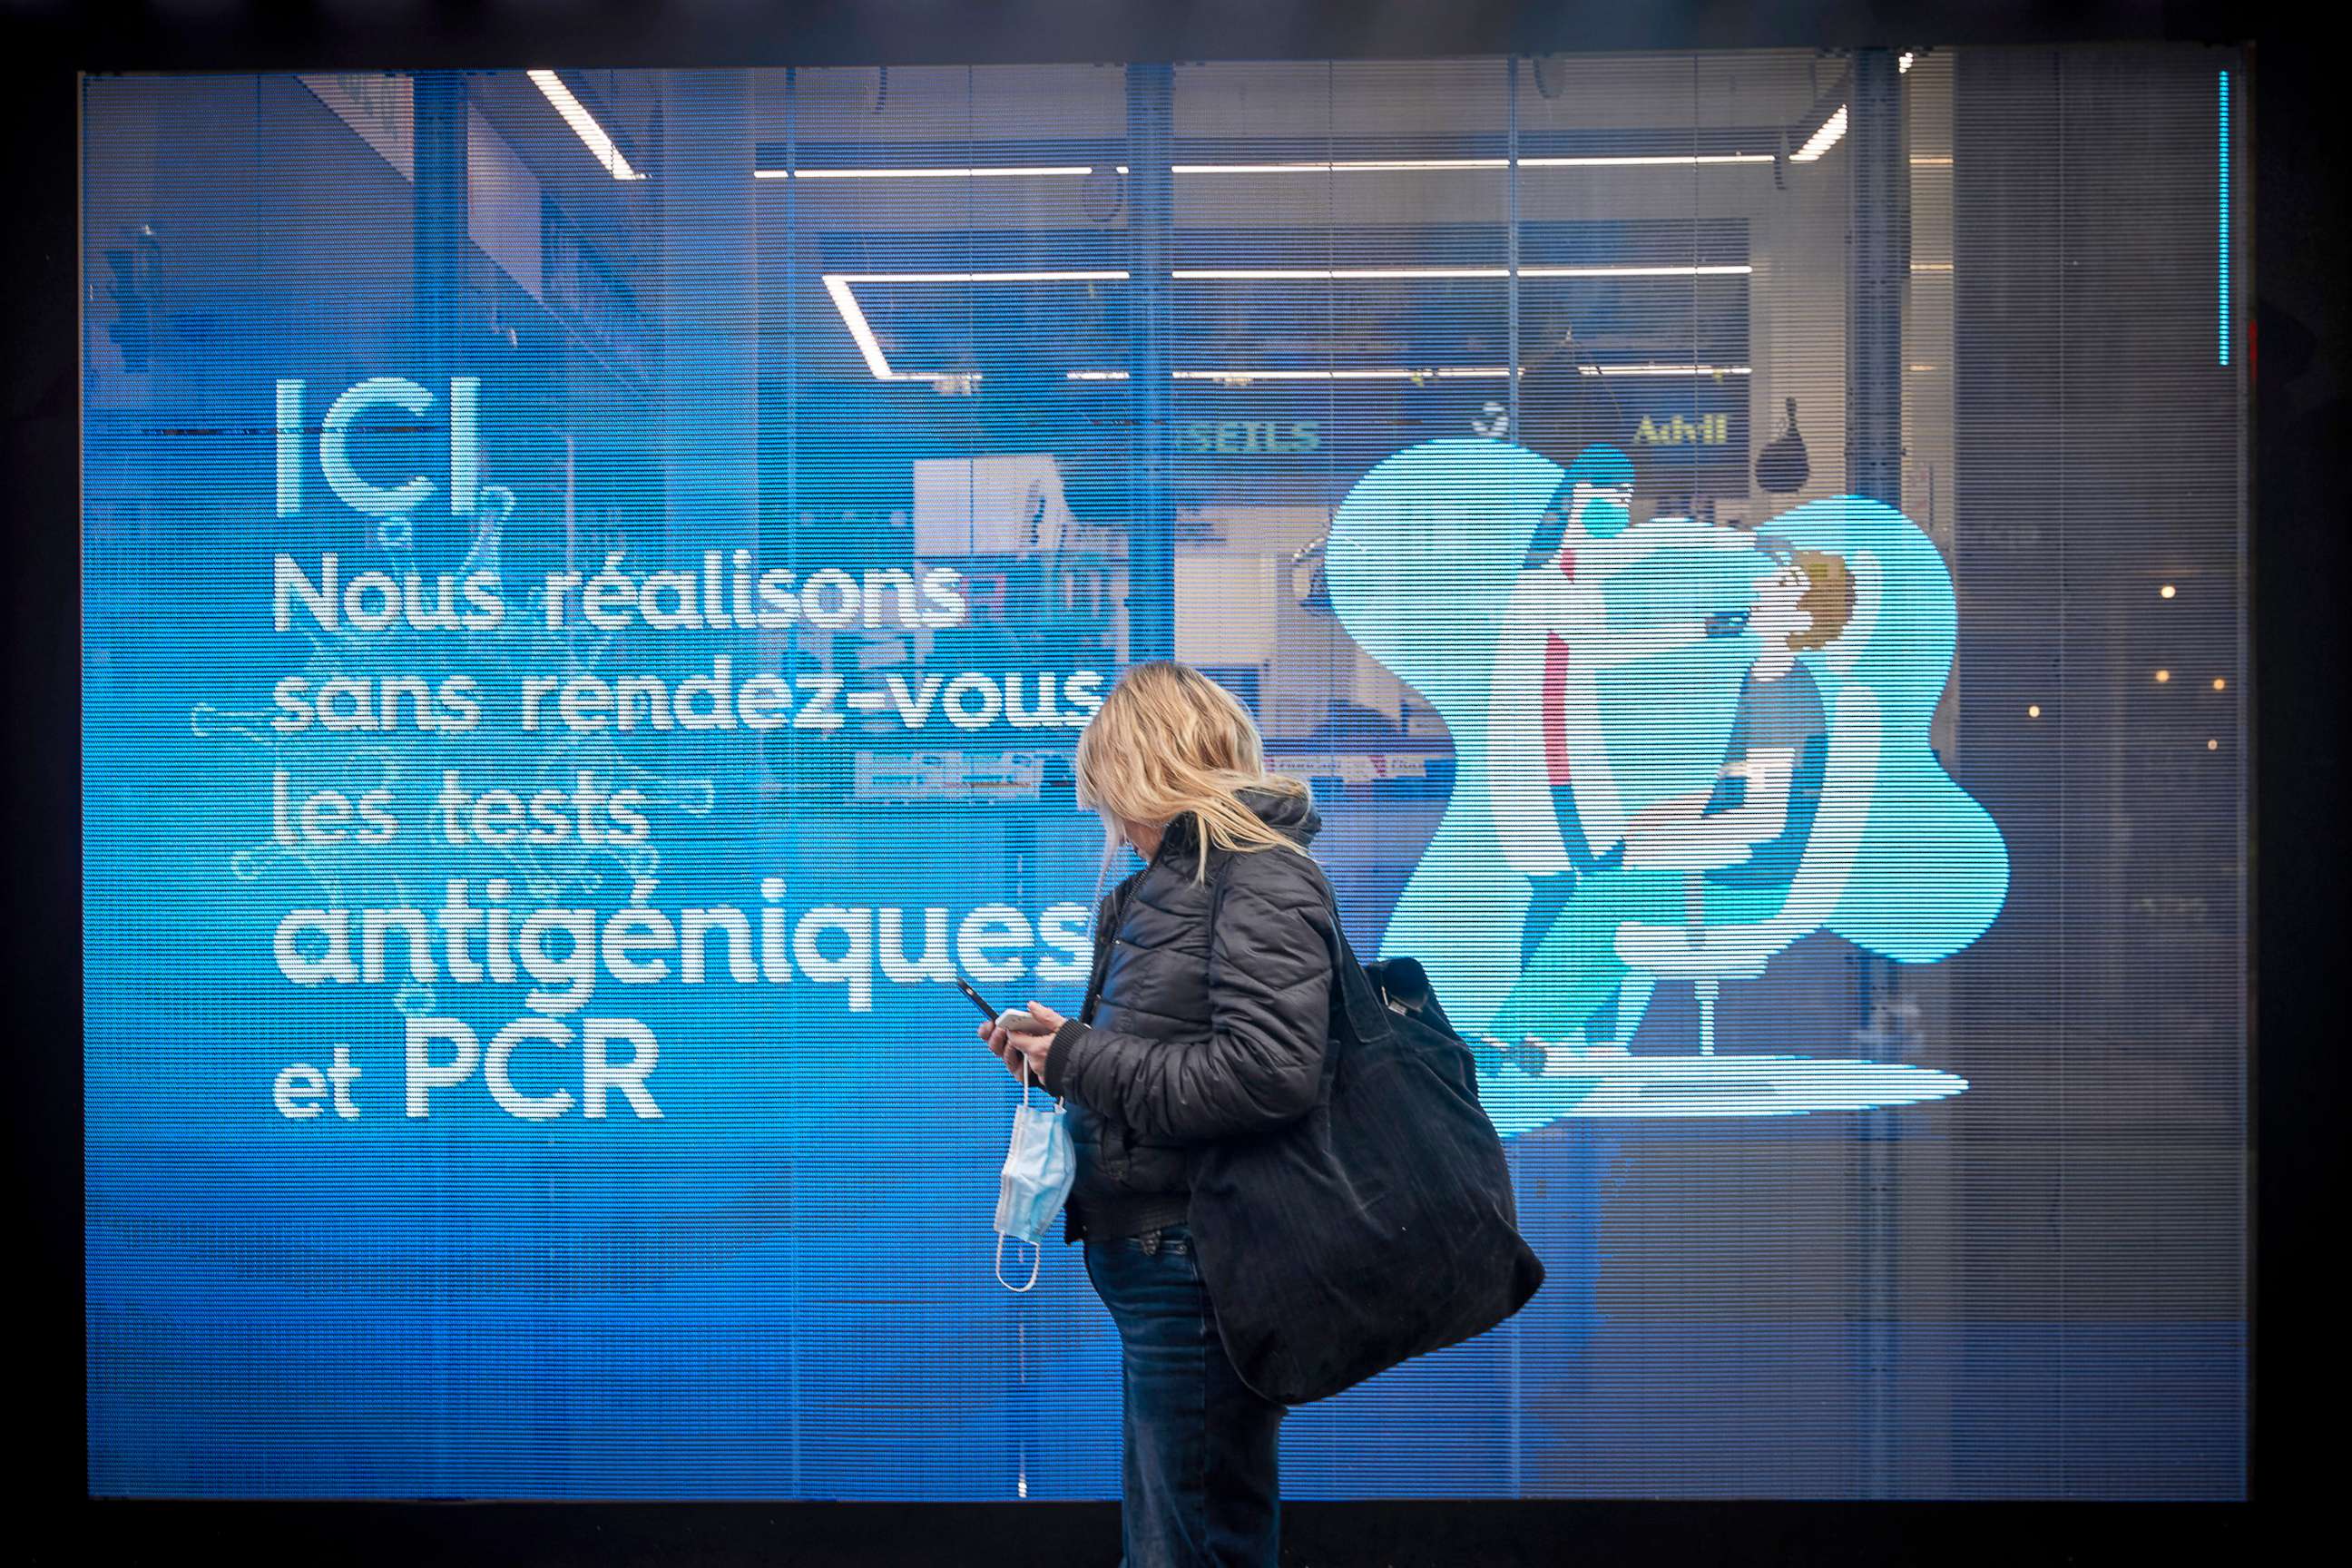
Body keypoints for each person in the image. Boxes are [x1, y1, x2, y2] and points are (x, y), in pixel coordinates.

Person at [977, 660, 1340, 1568]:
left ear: (1150, 775)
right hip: (1170, 1253)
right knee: (1192, 1529)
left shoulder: (1256, 880)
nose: (1115, 824)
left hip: (1201, 1253)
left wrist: (1079, 1055)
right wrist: (1059, 1062)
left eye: (1115, 797)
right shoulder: (1173, 889)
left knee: (1187, 1542)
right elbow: (1175, 1061)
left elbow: (1269, 1072)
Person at [1482, 545, 1855, 1067]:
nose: (1764, 587)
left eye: (1783, 586)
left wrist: (1667, 846)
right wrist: (1656, 818)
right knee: (1609, 886)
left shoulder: (1784, 696)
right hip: (1736, 870)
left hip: (1749, 885)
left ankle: (1507, 1039)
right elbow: (1731, 791)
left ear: (1802, 616)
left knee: (1605, 897)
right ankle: (1540, 1040)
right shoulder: (1762, 677)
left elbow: (1763, 819)